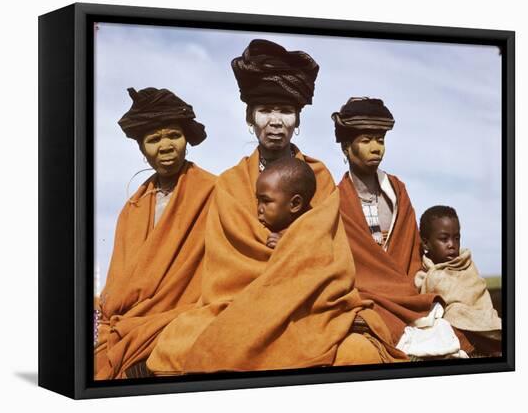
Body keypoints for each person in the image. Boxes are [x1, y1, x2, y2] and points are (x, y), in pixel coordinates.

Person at [146, 39, 406, 375]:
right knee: (178, 344)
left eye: (285, 111)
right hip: (241, 301)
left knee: (358, 352)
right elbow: (227, 266)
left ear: (297, 118)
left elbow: (332, 258)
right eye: (265, 109)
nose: (275, 120)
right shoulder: (230, 183)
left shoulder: (319, 176)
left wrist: (292, 250)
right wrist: (284, 258)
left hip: (309, 303)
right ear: (250, 117)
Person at [333, 97, 474, 358]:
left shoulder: (397, 189)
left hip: (404, 286)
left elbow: (409, 248)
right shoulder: (335, 199)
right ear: (345, 147)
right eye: (366, 140)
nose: (376, 148)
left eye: (381, 140)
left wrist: (411, 281)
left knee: (448, 322)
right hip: (362, 289)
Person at [94, 87, 216, 379]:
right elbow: (120, 280)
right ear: (141, 148)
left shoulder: (215, 191)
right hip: (130, 320)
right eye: (153, 139)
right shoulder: (132, 208)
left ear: (186, 139)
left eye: (174, 135)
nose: (165, 146)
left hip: (187, 315)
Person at [415, 205, 502, 356]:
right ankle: (487, 347)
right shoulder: (424, 273)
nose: (451, 245)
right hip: (455, 327)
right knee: (449, 320)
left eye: (456, 238)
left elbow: (477, 292)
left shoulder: (466, 264)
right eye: (444, 239)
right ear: (426, 243)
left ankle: (492, 344)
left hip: (479, 318)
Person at [256, 157, 316, 249]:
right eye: (258, 200)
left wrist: (288, 246)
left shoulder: (313, 232)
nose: (259, 209)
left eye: (266, 201)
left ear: (295, 204)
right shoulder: (257, 228)